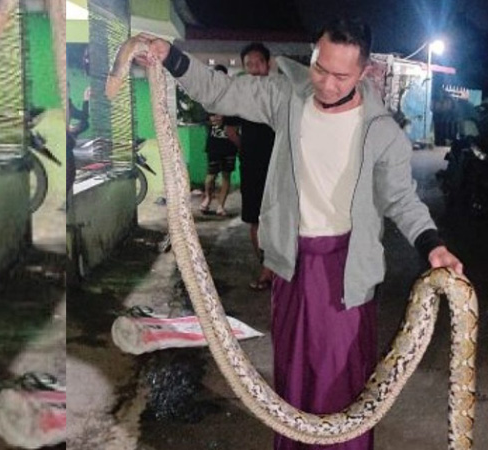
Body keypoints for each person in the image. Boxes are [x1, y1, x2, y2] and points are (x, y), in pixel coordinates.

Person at [134, 17, 464, 450]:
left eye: (340, 75)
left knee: (340, 384)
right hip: (290, 263)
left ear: (364, 73)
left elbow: (402, 199)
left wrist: (432, 246)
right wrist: (172, 57)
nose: (326, 83)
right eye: (319, 67)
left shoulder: (382, 133)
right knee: (291, 377)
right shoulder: (287, 95)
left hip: (344, 273)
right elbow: (222, 91)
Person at [236, 42, 276, 290]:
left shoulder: (279, 91)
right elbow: (230, 127)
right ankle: (265, 267)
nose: (254, 68)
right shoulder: (239, 93)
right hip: (251, 166)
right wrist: (246, 150)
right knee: (255, 219)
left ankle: (277, 268)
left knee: (281, 217)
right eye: (248, 64)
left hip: (278, 165)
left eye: (258, 62)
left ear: (268, 64)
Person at [200, 64, 240, 217]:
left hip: (229, 144)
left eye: (221, 76)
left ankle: (221, 206)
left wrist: (224, 119)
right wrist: (210, 120)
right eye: (215, 76)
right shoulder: (207, 96)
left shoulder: (232, 96)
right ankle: (208, 198)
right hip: (214, 145)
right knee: (210, 176)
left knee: (226, 175)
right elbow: (202, 118)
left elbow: (238, 116)